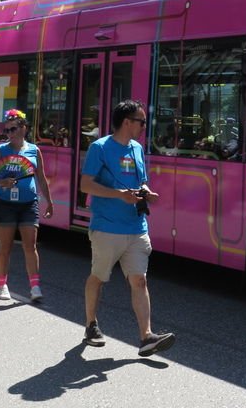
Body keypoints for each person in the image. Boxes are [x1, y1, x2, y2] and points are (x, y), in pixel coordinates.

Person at [80, 99, 174, 356]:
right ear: (127, 122)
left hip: (136, 226)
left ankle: (146, 337)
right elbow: (86, 185)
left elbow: (140, 182)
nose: (144, 126)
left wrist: (147, 193)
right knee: (98, 278)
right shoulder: (100, 147)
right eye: (141, 121)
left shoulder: (137, 149)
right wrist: (118, 194)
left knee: (140, 281)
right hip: (107, 228)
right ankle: (91, 325)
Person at [0, 109, 53, 303]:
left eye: (13, 129)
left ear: (23, 128)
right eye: (6, 130)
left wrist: (49, 202)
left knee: (30, 246)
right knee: (5, 247)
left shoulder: (34, 150)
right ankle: (2, 285)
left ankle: (35, 287)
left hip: (28, 203)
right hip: (5, 203)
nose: (9, 133)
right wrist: (3, 183)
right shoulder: (0, 150)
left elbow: (41, 177)